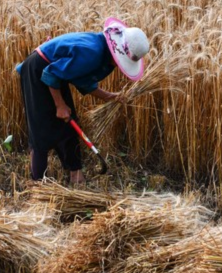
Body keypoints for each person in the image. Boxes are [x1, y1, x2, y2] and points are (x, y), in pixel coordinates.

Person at [16, 17, 149, 184]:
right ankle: (38, 184)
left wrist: (109, 96)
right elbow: (50, 74)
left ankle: (76, 177)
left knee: (70, 123)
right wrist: (60, 105)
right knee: (41, 129)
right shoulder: (92, 53)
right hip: (38, 70)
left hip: (54, 74)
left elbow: (81, 78)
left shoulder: (101, 53)